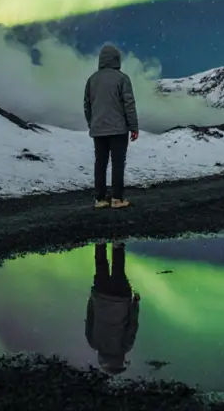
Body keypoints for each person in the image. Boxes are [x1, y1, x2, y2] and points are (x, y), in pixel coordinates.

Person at [83, 43, 139, 209]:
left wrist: (92, 123)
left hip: (98, 128)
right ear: (116, 59)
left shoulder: (92, 79)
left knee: (100, 163)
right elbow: (129, 104)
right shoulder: (122, 78)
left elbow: (87, 105)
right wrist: (133, 127)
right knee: (117, 163)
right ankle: (117, 198)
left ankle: (100, 199)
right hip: (118, 129)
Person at [84, 242, 141, 375]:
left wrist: (135, 303)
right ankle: (100, 242)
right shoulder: (93, 343)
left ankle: (117, 244)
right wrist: (92, 299)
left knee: (118, 268)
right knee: (100, 265)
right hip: (101, 297)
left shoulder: (125, 347)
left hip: (121, 299)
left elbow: (133, 324)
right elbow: (89, 318)